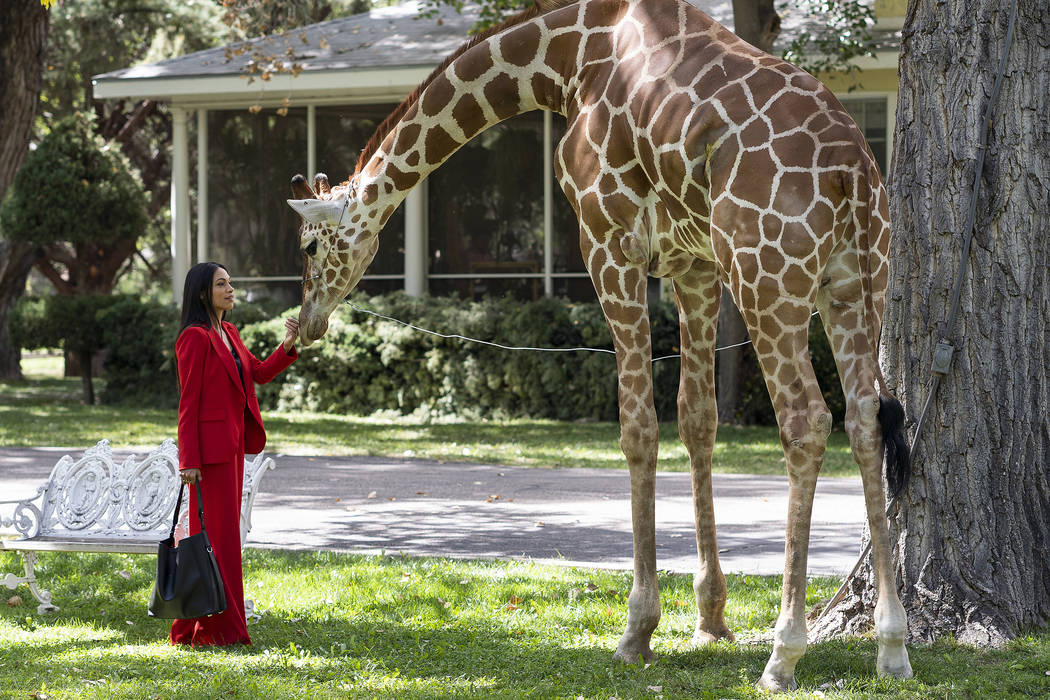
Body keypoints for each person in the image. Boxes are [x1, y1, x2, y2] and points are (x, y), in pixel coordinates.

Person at [171, 262, 299, 646]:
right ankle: (210, 628)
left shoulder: (228, 332)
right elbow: (188, 402)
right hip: (206, 459)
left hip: (232, 449)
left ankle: (222, 625)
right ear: (202, 294)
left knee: (225, 540)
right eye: (221, 284)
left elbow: (257, 373)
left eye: (230, 282)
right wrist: (188, 460)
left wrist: (287, 345)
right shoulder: (194, 338)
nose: (230, 289)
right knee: (212, 540)